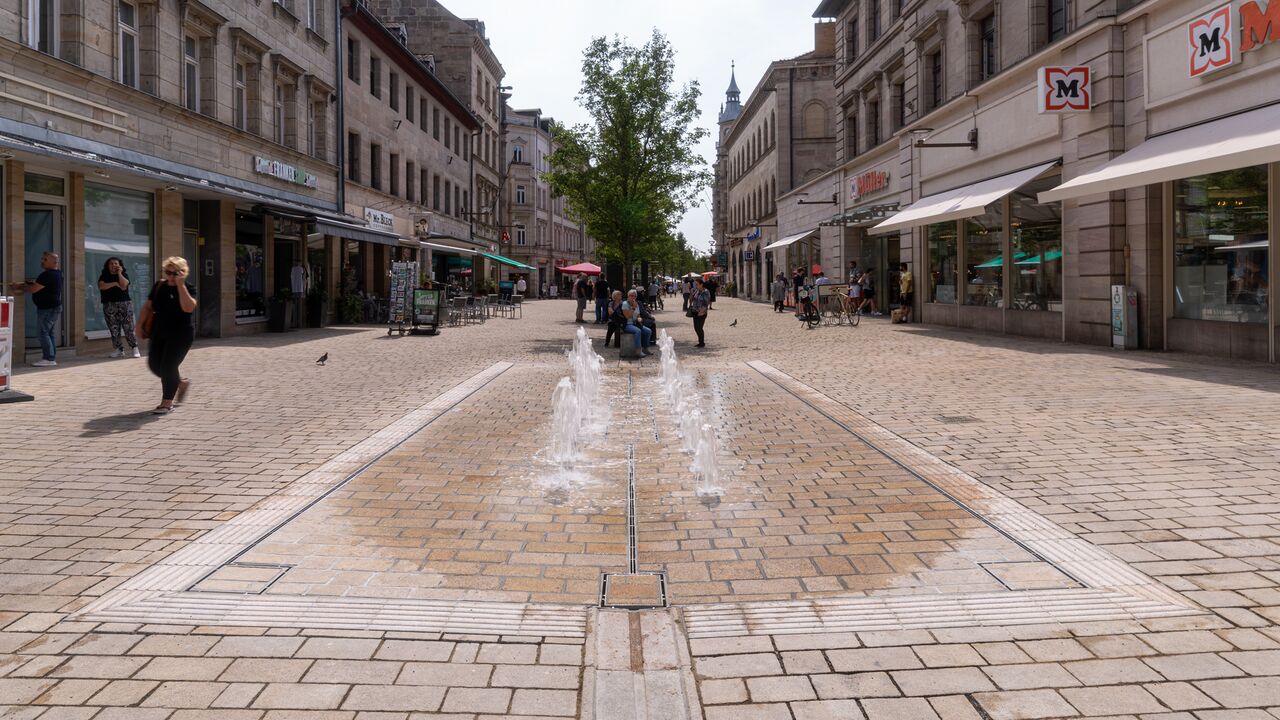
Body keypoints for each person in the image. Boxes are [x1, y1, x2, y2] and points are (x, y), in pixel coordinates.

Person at [139, 256, 198, 415]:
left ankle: (166, 403)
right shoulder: (159, 286)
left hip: (181, 334)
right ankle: (180, 383)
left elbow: (188, 308)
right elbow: (148, 307)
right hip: (159, 331)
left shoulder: (189, 288)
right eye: (168, 272)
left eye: (174, 273)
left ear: (183, 273)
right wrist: (139, 326)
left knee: (168, 366)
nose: (171, 276)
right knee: (154, 365)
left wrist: (180, 286)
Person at [9, 251, 63, 367]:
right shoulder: (57, 273)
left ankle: (48, 359)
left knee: (42, 333)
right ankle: (51, 357)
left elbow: (33, 289)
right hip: (52, 307)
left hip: (48, 309)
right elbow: (40, 286)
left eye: (45, 259)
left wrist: (18, 287)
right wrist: (28, 284)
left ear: (54, 262)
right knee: (49, 333)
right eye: (42, 259)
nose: (42, 261)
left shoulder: (47, 275)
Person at [98, 256, 140, 358]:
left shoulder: (124, 274)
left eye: (116, 263)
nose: (113, 265)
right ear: (108, 266)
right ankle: (119, 349)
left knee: (128, 327)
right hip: (109, 304)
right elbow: (101, 286)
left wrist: (119, 273)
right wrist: (115, 283)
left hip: (124, 304)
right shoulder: (104, 276)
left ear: (120, 265)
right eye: (111, 263)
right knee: (113, 328)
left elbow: (124, 285)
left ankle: (134, 348)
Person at [621, 289, 652, 355]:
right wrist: (633, 308)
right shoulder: (625, 304)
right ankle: (638, 350)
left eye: (635, 296)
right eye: (631, 296)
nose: (633, 297)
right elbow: (627, 316)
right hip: (627, 324)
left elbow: (638, 314)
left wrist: (639, 318)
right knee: (638, 331)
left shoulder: (636, 304)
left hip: (635, 323)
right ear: (628, 296)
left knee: (648, 331)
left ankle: (645, 348)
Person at [689, 278, 710, 348]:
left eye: (697, 284)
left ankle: (702, 343)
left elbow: (707, 302)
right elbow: (692, 299)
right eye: (695, 284)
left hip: (702, 312)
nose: (696, 286)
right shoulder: (696, 291)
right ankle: (700, 342)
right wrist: (691, 295)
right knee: (696, 328)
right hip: (695, 311)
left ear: (701, 284)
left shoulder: (706, 292)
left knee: (699, 328)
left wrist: (702, 311)